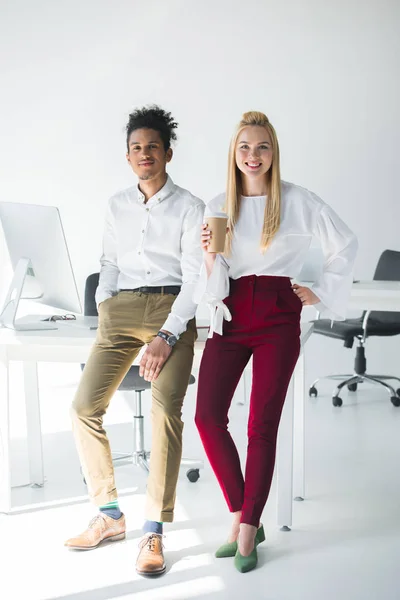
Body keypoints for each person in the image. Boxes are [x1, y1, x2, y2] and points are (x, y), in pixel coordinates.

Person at [194, 111, 358, 573]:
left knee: (260, 426)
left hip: (276, 315)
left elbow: (344, 244)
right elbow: (216, 282)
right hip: (231, 311)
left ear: (274, 153)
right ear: (234, 152)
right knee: (208, 417)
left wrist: (319, 290)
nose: (253, 156)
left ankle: (247, 531)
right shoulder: (218, 205)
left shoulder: (297, 201)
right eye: (244, 147)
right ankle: (239, 511)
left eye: (262, 147)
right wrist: (209, 254)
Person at [65, 105, 204, 577]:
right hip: (120, 309)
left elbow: (195, 280)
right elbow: (107, 261)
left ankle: (153, 529)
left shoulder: (190, 207)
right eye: (136, 148)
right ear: (128, 157)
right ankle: (109, 515)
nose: (144, 154)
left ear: (168, 152)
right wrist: (105, 303)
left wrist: (167, 333)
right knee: (84, 407)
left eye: (152, 146)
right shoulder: (116, 205)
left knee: (166, 407)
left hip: (171, 308)